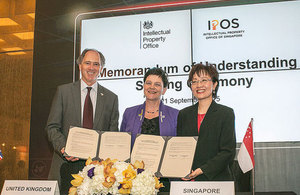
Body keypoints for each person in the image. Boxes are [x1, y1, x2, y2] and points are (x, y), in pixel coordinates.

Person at [45, 48, 119, 194]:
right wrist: (63, 148)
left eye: (96, 64)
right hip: (66, 165)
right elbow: (52, 127)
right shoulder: (63, 92)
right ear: (80, 65)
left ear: (101, 69)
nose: (91, 68)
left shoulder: (111, 98)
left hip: (97, 172)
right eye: (87, 63)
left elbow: (113, 135)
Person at [120, 67, 178, 191]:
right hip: (133, 182)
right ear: (143, 86)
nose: (152, 87)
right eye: (148, 83)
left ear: (164, 90)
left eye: (157, 84)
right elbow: (122, 147)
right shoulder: (129, 113)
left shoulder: (175, 115)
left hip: (164, 181)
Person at [177, 63, 236, 181]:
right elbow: (181, 148)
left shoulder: (225, 113)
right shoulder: (183, 114)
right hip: (189, 182)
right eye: (194, 81)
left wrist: (203, 169)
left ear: (214, 85)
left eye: (204, 80)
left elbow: (228, 152)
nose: (199, 85)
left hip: (217, 180)